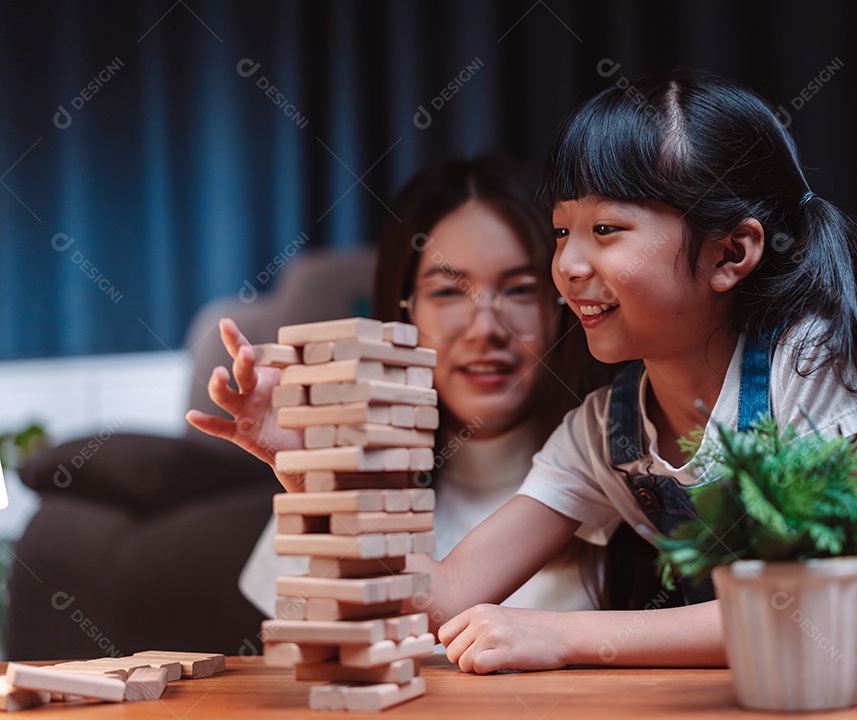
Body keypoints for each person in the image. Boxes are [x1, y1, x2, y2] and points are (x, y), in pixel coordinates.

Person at [404, 70, 857, 674]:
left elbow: (810, 612)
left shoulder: (806, 364)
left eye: (604, 228)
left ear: (731, 252)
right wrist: (310, 470)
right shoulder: (605, 435)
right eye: (561, 230)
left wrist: (562, 634)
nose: (568, 265)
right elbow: (449, 592)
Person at [185, 156, 612, 617]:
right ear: (404, 314)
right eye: (448, 292)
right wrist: (319, 482)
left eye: (521, 289)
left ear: (564, 305)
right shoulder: (346, 482)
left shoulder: (617, 467)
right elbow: (318, 666)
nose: (485, 328)